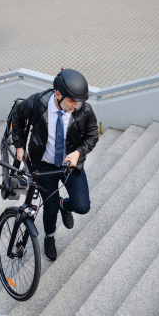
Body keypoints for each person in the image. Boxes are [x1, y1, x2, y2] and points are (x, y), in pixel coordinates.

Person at [11, 68, 99, 261]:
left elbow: (93, 135)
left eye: (79, 102)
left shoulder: (83, 109)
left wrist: (78, 153)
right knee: (49, 208)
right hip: (44, 166)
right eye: (72, 101)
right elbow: (17, 116)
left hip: (70, 164)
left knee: (82, 206)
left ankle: (64, 205)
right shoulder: (37, 103)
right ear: (58, 94)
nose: (76, 106)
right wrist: (19, 146)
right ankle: (49, 237)